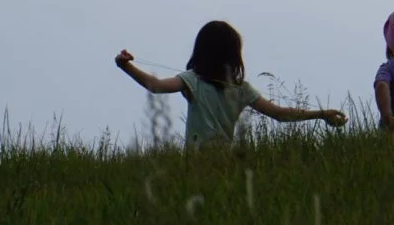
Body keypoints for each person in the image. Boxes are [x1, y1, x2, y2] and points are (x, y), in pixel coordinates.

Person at [115, 20, 346, 146]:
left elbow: (155, 85)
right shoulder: (241, 90)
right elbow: (280, 114)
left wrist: (125, 66)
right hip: (225, 165)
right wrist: (321, 114)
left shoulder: (192, 80)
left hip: (195, 167)